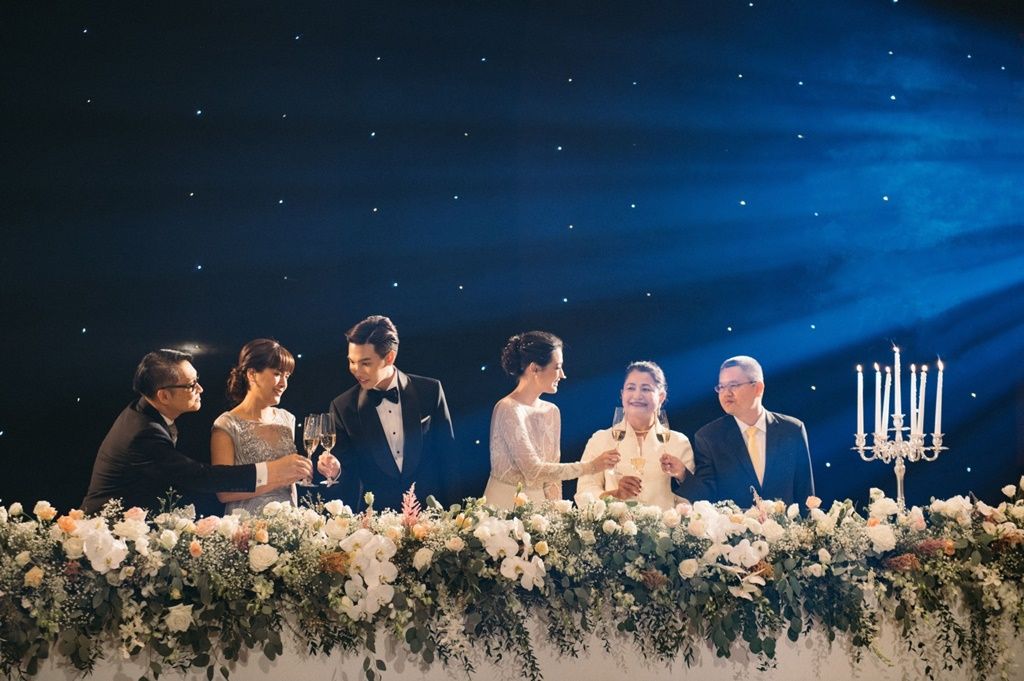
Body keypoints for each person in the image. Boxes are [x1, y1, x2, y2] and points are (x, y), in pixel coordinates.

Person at [82, 349, 311, 515]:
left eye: (197, 381)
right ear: (164, 396)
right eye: (191, 385)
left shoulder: (143, 412)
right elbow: (201, 477)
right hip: (106, 534)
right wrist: (272, 471)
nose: (200, 389)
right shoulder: (143, 433)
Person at [317, 316, 457, 511]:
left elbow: (448, 458)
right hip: (375, 519)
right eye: (352, 362)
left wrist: (455, 516)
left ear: (389, 357)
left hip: (431, 513)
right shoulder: (342, 407)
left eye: (365, 363)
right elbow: (349, 476)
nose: (356, 370)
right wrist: (336, 471)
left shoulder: (430, 391)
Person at [483, 331, 618, 509]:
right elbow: (533, 470)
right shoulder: (508, 408)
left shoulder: (551, 411)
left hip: (540, 509)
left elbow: (552, 475)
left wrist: (556, 512)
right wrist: (590, 467)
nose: (562, 375)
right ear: (534, 368)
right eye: (557, 367)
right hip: (503, 507)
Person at [675, 355, 814, 506]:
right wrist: (682, 474)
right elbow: (706, 497)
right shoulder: (709, 437)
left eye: (733, 385)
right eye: (721, 387)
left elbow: (805, 493)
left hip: (786, 521)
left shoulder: (792, 429)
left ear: (758, 388)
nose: (726, 393)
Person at [576, 361, 695, 510]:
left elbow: (689, 500)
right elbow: (584, 493)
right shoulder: (600, 439)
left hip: (664, 524)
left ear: (661, 397)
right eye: (631, 388)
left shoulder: (678, 442)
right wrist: (614, 494)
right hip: (613, 525)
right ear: (622, 394)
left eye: (646, 389)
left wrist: (681, 475)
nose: (637, 395)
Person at [210, 339, 299, 515]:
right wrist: (280, 474)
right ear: (252, 374)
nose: (284, 383)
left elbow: (292, 486)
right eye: (277, 374)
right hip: (246, 524)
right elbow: (223, 491)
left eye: (287, 376)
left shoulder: (287, 419)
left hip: (289, 521)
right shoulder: (227, 424)